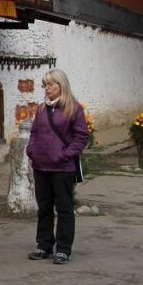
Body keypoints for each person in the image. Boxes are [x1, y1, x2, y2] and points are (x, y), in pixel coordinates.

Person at [26, 68, 89, 265]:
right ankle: (44, 245)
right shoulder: (42, 109)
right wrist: (31, 150)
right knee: (44, 208)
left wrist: (65, 155)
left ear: (61, 85)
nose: (46, 89)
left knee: (64, 208)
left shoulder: (74, 108)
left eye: (50, 85)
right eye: (45, 85)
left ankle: (63, 249)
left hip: (62, 168)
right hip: (41, 166)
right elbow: (35, 132)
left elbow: (81, 136)